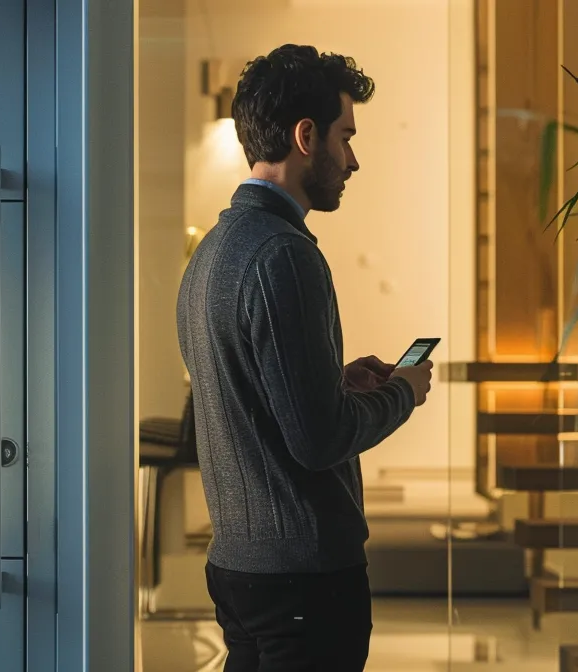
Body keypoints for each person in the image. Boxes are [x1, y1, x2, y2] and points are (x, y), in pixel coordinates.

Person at [175, 44, 434, 671]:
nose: (353, 159)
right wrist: (401, 392)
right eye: (345, 137)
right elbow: (319, 441)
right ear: (305, 135)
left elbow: (253, 399)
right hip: (303, 580)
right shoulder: (284, 255)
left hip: (240, 567)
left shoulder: (213, 251)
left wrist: (335, 382)